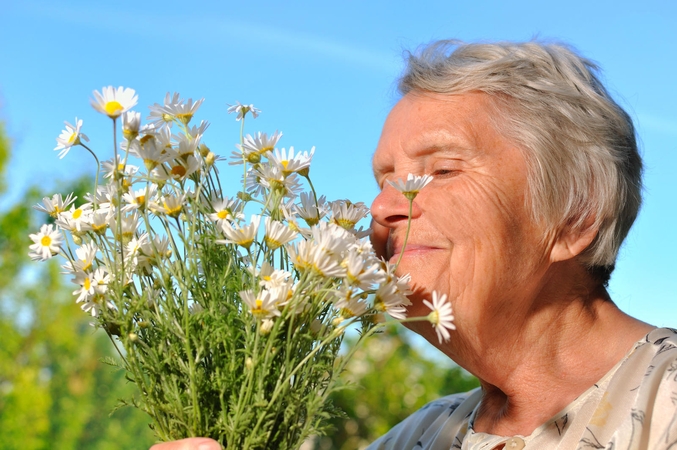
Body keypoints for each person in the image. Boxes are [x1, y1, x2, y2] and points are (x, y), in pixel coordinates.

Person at [151, 40, 677, 450]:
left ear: (574, 216)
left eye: (442, 170)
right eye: (384, 181)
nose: (380, 209)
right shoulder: (420, 436)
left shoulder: (665, 404)